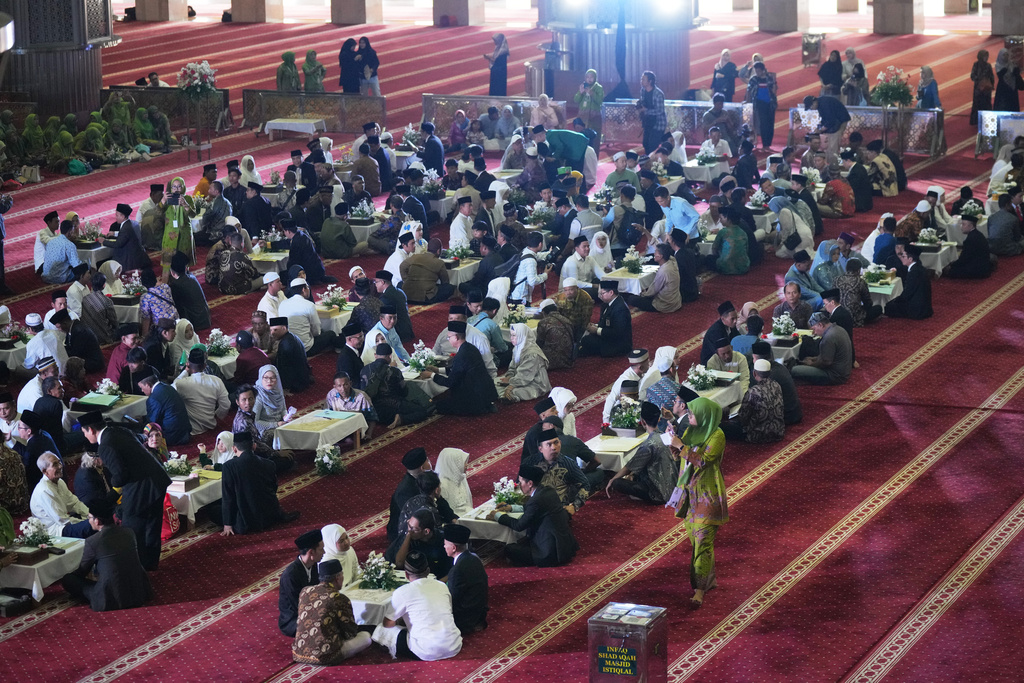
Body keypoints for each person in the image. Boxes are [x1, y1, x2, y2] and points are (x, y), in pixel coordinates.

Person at [77, 412, 171, 570]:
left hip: (140, 488)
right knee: (152, 525)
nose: (85, 436)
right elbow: (138, 439)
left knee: (131, 529)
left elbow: (120, 475)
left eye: (84, 432)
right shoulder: (118, 431)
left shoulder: (105, 445)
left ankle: (136, 567)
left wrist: (112, 494)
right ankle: (150, 564)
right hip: (157, 481)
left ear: (91, 430)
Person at [672, 397, 727, 607]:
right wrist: (674, 447)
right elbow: (681, 458)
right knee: (697, 543)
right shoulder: (691, 431)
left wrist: (681, 446)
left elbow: (703, 460)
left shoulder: (717, 435)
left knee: (703, 542)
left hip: (707, 495)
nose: (690, 416)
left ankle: (699, 590)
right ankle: (709, 579)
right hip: (689, 495)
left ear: (705, 415)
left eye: (693, 413)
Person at [61, 498, 152, 612]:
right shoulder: (129, 532)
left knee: (68, 579)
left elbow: (82, 571)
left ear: (97, 521)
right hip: (138, 590)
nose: (89, 521)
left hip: (111, 595)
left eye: (90, 518)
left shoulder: (93, 541)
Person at [374, 550, 462, 661]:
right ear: (428, 571)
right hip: (453, 645)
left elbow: (388, 623)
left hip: (425, 650)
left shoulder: (402, 592)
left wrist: (401, 620)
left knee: (380, 629)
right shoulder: (442, 586)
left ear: (406, 574)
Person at [487, 464, 578, 567]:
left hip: (548, 552)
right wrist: (511, 508)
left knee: (509, 549)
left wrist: (498, 516)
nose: (519, 485)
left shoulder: (535, 500)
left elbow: (519, 526)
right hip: (565, 547)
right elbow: (536, 509)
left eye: (521, 482)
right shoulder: (549, 491)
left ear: (530, 483)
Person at [291, 559, 372, 665]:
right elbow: (350, 633)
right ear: (338, 578)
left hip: (299, 653)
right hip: (326, 656)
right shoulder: (338, 597)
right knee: (366, 637)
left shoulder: (305, 591)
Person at [605, 401, 677, 504]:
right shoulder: (664, 436)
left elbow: (629, 467)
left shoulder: (648, 444)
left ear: (643, 422)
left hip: (658, 494)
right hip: (673, 488)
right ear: (659, 419)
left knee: (617, 483)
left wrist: (612, 480)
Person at [425, 321, 499, 416]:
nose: (448, 339)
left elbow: (450, 382)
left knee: (437, 405)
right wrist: (437, 370)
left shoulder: (461, 355)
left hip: (473, 398)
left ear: (455, 337)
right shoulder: (470, 348)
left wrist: (431, 375)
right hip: (486, 393)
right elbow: (458, 371)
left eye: (449, 337)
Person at [30, 452, 93, 539]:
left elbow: (74, 503)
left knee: (97, 517)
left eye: (59, 462)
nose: (60, 466)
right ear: (45, 471)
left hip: (65, 522)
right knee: (92, 526)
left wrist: (89, 514)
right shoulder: (45, 490)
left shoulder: (60, 482)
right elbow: (62, 520)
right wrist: (86, 521)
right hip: (55, 530)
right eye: (55, 465)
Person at [722, 359, 785, 443]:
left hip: (757, 435)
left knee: (721, 427)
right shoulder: (777, 385)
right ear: (770, 373)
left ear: (754, 373)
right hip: (778, 431)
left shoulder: (753, 392)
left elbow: (743, 418)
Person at [442, 524, 489, 635]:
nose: (444, 547)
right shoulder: (474, 557)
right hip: (479, 612)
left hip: (465, 618)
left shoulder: (457, 570)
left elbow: (452, 599)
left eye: (445, 544)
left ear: (454, 548)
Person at [173, 348, 230, 435]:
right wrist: (217, 415)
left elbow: (172, 389)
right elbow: (226, 405)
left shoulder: (182, 384)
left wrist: (185, 371)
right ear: (205, 366)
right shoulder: (216, 381)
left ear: (188, 364)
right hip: (211, 425)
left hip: (193, 430)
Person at [279, 529, 323, 637]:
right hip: (293, 619)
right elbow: (297, 605)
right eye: (321, 549)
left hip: (311, 610)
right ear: (311, 552)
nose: (324, 552)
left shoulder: (313, 565)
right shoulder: (290, 575)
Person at [792, 311, 853, 385]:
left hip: (834, 375)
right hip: (844, 372)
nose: (814, 333)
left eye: (814, 329)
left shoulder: (828, 337)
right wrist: (814, 359)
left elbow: (826, 362)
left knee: (794, 370)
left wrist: (811, 364)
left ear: (820, 325)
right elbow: (829, 356)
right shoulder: (839, 329)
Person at [498, 323, 550, 403]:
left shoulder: (532, 353)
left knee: (514, 392)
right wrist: (509, 376)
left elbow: (525, 375)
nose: (511, 338)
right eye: (511, 335)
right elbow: (512, 367)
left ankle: (510, 397)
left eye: (514, 335)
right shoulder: (517, 348)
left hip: (535, 381)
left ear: (522, 336)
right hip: (520, 377)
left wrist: (510, 386)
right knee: (494, 384)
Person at [579, 280, 632, 358]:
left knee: (586, 340)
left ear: (611, 292)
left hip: (618, 343)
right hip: (607, 335)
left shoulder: (620, 308)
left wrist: (597, 330)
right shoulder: (606, 304)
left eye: (602, 293)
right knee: (583, 333)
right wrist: (595, 326)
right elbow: (605, 322)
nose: (600, 296)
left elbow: (618, 332)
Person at [884, 245, 932, 319]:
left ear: (910, 259)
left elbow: (908, 293)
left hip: (917, 309)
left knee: (888, 306)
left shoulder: (914, 272)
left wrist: (897, 300)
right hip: (925, 306)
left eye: (903, 256)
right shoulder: (919, 268)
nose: (901, 258)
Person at [400, 238, 453, 304]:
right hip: (425, 298)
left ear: (427, 248)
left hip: (408, 295)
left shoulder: (415, 257)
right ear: (438, 251)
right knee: (450, 288)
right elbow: (445, 282)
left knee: (400, 284)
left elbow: (402, 266)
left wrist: (406, 279)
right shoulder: (439, 262)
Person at [268, 317, 313, 393]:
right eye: (271, 330)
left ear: (284, 328)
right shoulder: (291, 337)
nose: (272, 333)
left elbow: (285, 369)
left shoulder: (286, 344)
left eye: (275, 330)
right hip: (303, 376)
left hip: (296, 383)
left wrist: (285, 387)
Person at [168, 251, 211, 331]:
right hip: (205, 318)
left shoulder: (176, 285)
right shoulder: (191, 277)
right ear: (185, 268)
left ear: (172, 272)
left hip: (197, 323)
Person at [945, 213, 993, 279]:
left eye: (963, 224)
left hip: (978, 269)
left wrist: (952, 265)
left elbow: (964, 259)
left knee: (950, 271)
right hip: (983, 265)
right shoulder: (977, 234)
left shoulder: (970, 239)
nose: (961, 226)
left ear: (971, 226)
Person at [536, 298, 575, 370]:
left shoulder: (544, 322)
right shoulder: (567, 320)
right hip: (568, 359)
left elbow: (539, 343)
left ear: (544, 312)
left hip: (550, 360)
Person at [745, 61, 777, 150]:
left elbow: (774, 90)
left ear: (763, 70)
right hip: (759, 103)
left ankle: (768, 144)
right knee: (763, 124)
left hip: (770, 104)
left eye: (759, 71)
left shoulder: (769, 78)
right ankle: (764, 144)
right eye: (756, 71)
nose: (757, 73)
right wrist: (748, 102)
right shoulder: (754, 79)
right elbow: (748, 91)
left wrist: (774, 84)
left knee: (770, 124)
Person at [636, 71, 666, 154]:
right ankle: (648, 160)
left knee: (652, 145)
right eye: (641, 79)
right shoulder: (643, 90)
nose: (641, 81)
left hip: (658, 123)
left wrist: (646, 110)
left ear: (650, 81)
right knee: (645, 144)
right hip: (648, 122)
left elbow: (660, 111)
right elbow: (643, 102)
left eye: (643, 79)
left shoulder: (658, 94)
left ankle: (654, 161)